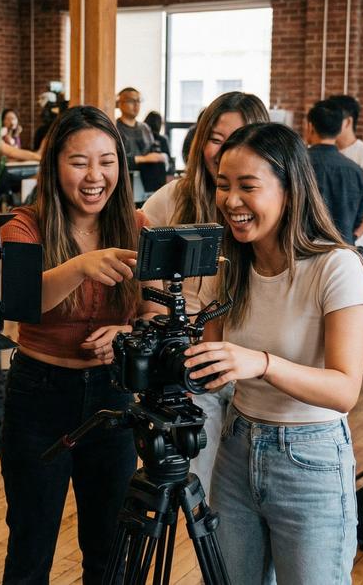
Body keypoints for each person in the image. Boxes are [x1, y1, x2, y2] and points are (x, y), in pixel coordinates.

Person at [185, 122, 363, 584]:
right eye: (223, 185)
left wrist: (262, 363)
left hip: (310, 459)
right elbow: (206, 357)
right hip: (236, 448)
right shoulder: (229, 266)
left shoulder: (336, 266)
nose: (231, 201)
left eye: (249, 186)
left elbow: (344, 389)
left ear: (291, 189)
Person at [0, 105, 149, 584]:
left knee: (110, 546)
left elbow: (156, 309)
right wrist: (81, 266)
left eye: (107, 161)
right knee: (31, 540)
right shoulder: (24, 226)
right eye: (79, 161)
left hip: (112, 395)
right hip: (39, 394)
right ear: (54, 165)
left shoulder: (136, 225)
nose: (94, 175)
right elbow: (20, 302)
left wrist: (128, 333)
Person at [140, 90, 269, 498]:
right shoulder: (170, 202)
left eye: (240, 137)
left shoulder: (269, 210)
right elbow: (147, 289)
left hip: (258, 371)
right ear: (199, 141)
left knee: (252, 500)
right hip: (193, 369)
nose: (226, 150)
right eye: (216, 138)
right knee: (207, 496)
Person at [327, 95, 363, 249]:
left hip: (354, 243)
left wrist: (355, 236)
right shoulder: (325, 151)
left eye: (334, 117)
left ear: (348, 122)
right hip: (325, 240)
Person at [306, 101, 363, 246]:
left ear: (310, 127)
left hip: (305, 250)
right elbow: (359, 218)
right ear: (340, 129)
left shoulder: (297, 164)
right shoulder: (356, 171)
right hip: (343, 250)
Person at [116, 87, 168, 191]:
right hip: (123, 181)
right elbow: (115, 159)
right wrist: (143, 159)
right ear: (120, 104)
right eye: (131, 101)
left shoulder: (144, 128)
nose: (136, 105)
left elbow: (153, 151)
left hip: (148, 179)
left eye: (138, 101)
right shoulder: (115, 128)